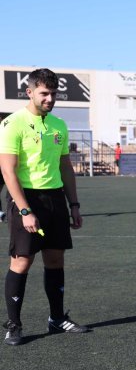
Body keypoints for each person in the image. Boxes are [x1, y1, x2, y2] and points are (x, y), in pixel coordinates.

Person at [0, 68, 89, 346]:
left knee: (54, 259)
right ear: (30, 92)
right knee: (22, 261)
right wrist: (25, 210)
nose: (50, 99)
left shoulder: (59, 125)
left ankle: (56, 318)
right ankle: (14, 324)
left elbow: (65, 167)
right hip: (25, 197)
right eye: (44, 94)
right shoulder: (13, 123)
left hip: (55, 199)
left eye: (53, 94)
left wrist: (73, 204)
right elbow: (8, 170)